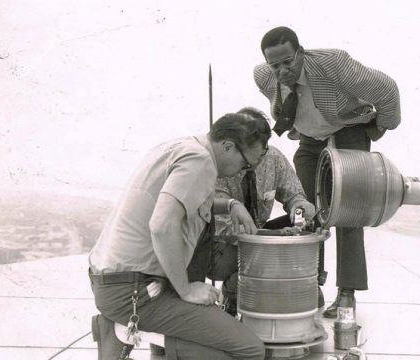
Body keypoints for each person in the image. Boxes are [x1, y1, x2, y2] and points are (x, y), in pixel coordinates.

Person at [88, 113, 269, 360]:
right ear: (227, 146)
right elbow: (162, 225)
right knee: (249, 350)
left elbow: (180, 201)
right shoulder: (200, 161)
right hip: (135, 291)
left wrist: (229, 204)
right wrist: (185, 290)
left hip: (113, 282)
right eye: (245, 164)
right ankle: (120, 332)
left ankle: (124, 331)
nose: (242, 171)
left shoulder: (177, 147)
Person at [254, 26, 401, 318]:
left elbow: (386, 89)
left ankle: (347, 293)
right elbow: (283, 104)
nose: (282, 70)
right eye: (275, 65)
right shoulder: (263, 75)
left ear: (300, 52)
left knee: (349, 210)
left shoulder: (333, 64)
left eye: (288, 61)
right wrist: (297, 130)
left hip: (348, 132)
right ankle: (310, 287)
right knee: (305, 211)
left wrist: (381, 126)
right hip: (310, 140)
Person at [209, 107, 318, 316]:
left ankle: (303, 280)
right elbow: (230, 230)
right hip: (222, 246)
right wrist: (278, 237)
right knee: (266, 264)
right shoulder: (219, 165)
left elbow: (295, 194)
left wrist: (300, 209)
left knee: (312, 224)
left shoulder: (273, 159)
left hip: (259, 236)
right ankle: (233, 289)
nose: (256, 158)